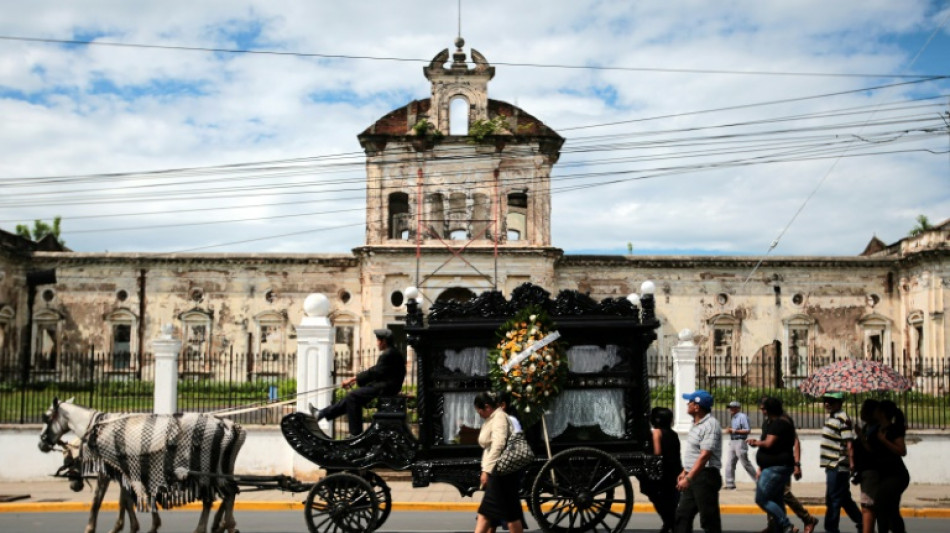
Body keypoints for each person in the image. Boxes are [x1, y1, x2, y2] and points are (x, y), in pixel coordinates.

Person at [310, 328, 406, 436]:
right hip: (384, 386)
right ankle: (321, 414)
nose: (377, 343)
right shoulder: (391, 352)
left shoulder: (389, 354)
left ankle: (355, 433)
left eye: (378, 341)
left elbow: (375, 372)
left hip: (386, 387)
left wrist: (352, 379)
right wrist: (355, 380)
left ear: (383, 341)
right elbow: (377, 371)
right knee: (350, 398)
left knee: (353, 396)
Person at [755, 397, 819, 533]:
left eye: (764, 406)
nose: (761, 409)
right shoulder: (768, 422)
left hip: (781, 466)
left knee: (782, 494)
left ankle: (806, 519)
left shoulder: (783, 421)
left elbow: (796, 442)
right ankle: (776, 525)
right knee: (774, 496)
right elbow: (767, 446)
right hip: (770, 465)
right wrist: (761, 466)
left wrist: (797, 464)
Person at [473, 391, 527, 533]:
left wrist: (486, 470)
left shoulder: (499, 418)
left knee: (485, 514)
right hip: (503, 473)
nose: (478, 413)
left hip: (500, 472)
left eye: (479, 410)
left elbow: (498, 444)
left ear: (486, 407)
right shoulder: (493, 418)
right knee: (511, 515)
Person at [673, 389, 722, 533]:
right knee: (682, 515)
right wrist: (685, 471)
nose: (687, 404)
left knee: (709, 519)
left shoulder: (710, 425)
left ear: (697, 406)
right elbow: (694, 453)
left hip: (705, 476)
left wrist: (689, 477)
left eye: (690, 402)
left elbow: (705, 455)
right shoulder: (695, 424)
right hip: (694, 475)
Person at [748, 397, 797, 533]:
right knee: (776, 498)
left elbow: (769, 443)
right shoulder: (781, 421)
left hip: (776, 467)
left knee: (761, 498)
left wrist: (755, 442)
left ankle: (786, 525)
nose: (761, 411)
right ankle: (778, 528)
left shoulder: (779, 423)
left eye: (764, 408)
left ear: (770, 409)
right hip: (776, 466)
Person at [819, 392, 862, 533]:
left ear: (840, 402)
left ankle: (831, 529)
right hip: (830, 464)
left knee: (833, 499)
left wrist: (852, 462)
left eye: (831, 401)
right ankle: (861, 521)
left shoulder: (843, 419)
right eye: (826, 400)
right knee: (843, 498)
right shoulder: (831, 417)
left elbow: (849, 442)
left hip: (838, 464)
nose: (827, 403)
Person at [640, 407, 682, 533]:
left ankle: (669, 523)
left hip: (663, 472)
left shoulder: (656, 433)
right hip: (675, 470)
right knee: (671, 501)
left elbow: (657, 452)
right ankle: (669, 524)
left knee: (658, 498)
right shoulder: (673, 433)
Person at [871, 400, 908, 533]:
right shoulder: (878, 429)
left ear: (882, 413)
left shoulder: (893, 429)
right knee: (891, 509)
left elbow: (902, 451)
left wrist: (884, 440)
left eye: (877, 409)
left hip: (896, 476)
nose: (874, 411)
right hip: (885, 475)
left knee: (880, 504)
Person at [853, 399, 881, 533]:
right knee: (867, 506)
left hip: (872, 471)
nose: (861, 412)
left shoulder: (877, 429)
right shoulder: (867, 427)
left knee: (868, 507)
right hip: (865, 471)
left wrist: (860, 436)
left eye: (865, 409)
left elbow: (872, 449)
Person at [723, 400, 757, 489]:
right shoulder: (733, 417)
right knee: (730, 463)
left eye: (732, 407)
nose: (730, 409)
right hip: (733, 441)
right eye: (730, 408)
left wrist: (733, 430)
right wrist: (730, 431)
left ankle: (759, 482)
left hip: (740, 441)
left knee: (745, 463)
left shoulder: (742, 417)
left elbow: (747, 430)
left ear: (737, 408)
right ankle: (730, 484)